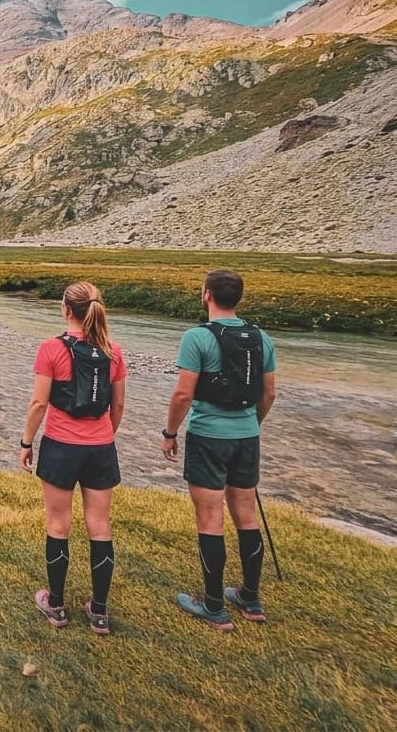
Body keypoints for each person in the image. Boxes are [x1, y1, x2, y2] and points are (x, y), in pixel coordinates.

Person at [163, 268, 277, 631]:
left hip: (208, 436)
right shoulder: (262, 338)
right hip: (247, 436)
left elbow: (183, 394)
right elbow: (269, 394)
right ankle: (250, 598)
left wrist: (170, 432)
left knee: (210, 518)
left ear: (207, 295)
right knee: (246, 515)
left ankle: (213, 605)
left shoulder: (197, 337)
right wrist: (252, 424)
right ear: (238, 298)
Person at [20, 281, 127, 635]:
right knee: (100, 525)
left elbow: (39, 403)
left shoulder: (51, 348)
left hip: (61, 446)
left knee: (58, 525)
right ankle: (99, 611)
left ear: (66, 310)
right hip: (101, 448)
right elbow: (118, 404)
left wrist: (26, 442)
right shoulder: (113, 352)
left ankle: (56, 604)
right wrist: (105, 435)